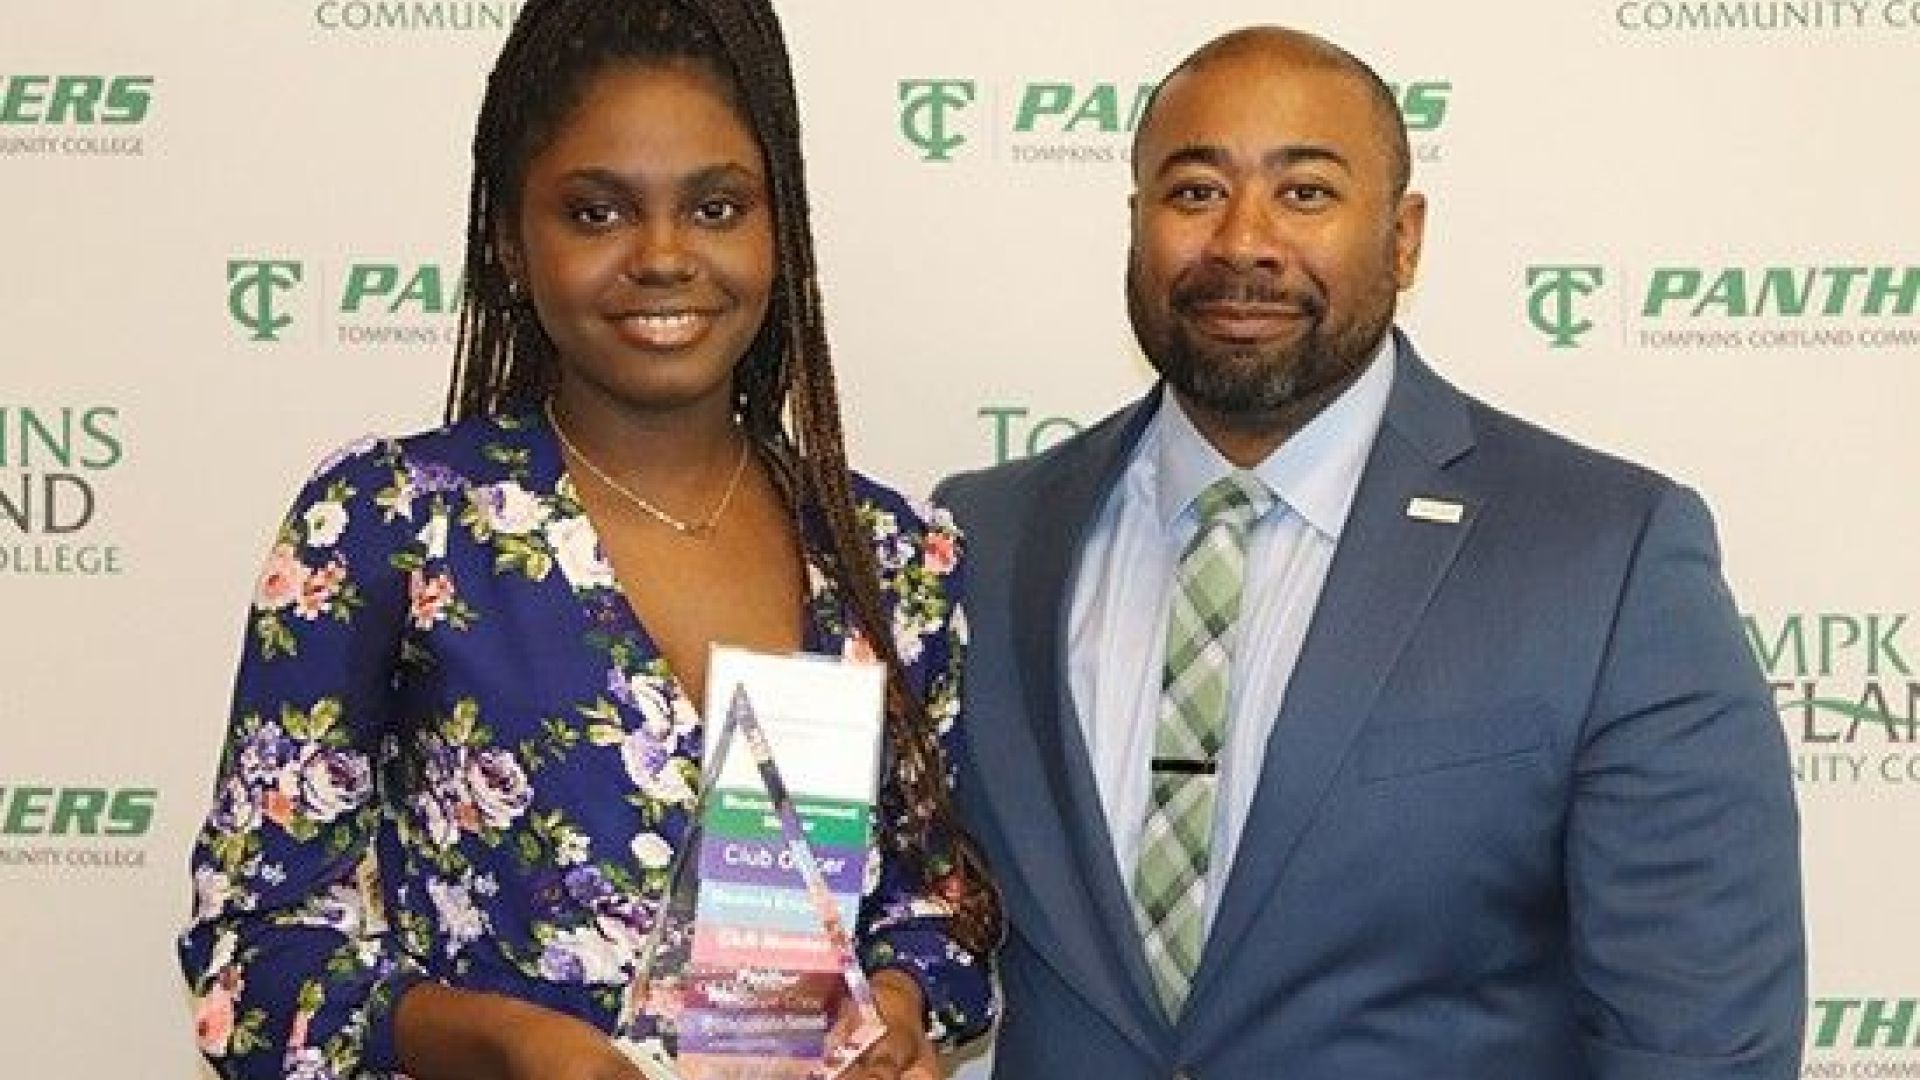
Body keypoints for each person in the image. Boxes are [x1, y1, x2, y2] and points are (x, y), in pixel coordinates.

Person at [936, 24, 1803, 1079]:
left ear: (1404, 238)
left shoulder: (1609, 560)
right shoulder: (981, 539)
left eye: (1305, 193)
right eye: (1195, 192)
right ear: (1135, 225)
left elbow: (1700, 1046)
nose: (1243, 242)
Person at [177, 3, 999, 1079]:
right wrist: (505, 1044)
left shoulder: (885, 557)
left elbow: (937, 911)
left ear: (779, 233)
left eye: (715, 207)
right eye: (597, 212)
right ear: (511, 245)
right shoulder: (392, 525)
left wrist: (895, 1006)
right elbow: (252, 960)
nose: (663, 256)